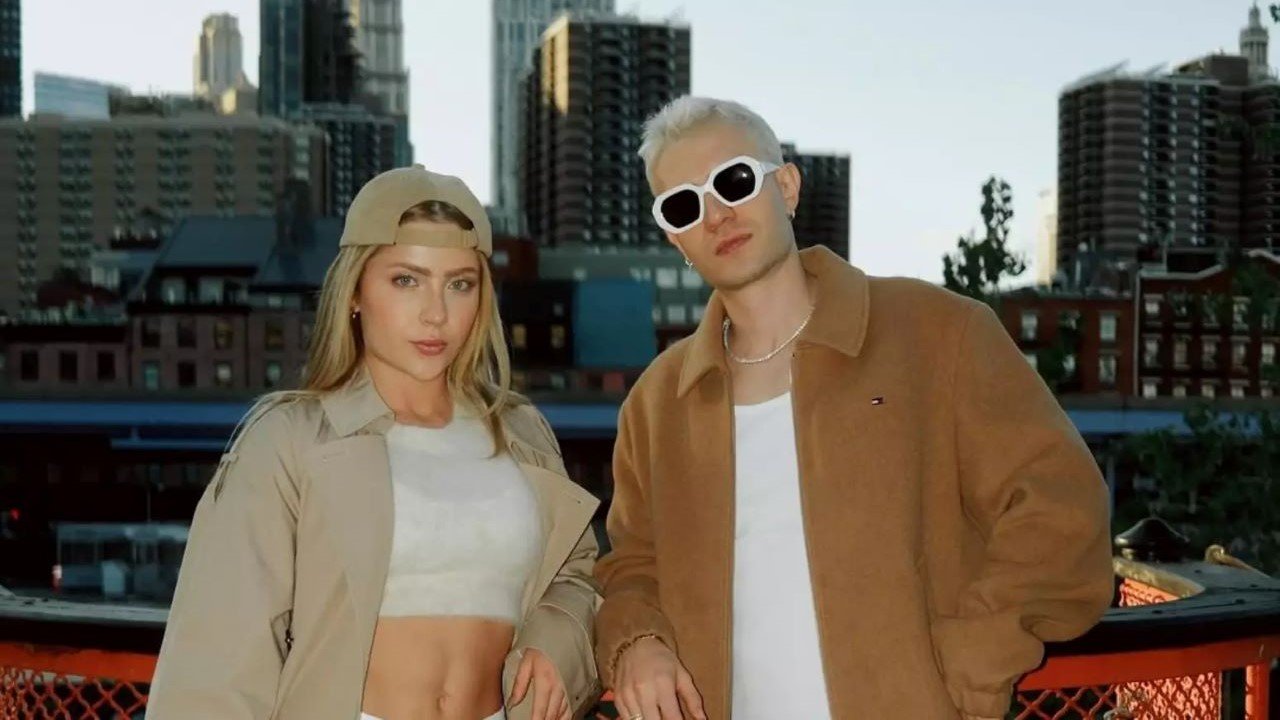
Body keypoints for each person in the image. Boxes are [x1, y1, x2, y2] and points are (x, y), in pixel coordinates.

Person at [593, 96, 1115, 720]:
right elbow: (632, 566)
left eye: (734, 181)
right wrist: (637, 641)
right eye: (684, 205)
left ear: (787, 187)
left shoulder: (939, 333)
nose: (716, 215)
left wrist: (968, 666)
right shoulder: (656, 403)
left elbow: (1060, 509)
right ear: (673, 236)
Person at [148, 166, 603, 720]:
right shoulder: (289, 439)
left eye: (459, 284)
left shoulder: (521, 431)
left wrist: (555, 639)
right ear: (355, 292)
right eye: (407, 280)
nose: (436, 313)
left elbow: (576, 577)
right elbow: (218, 654)